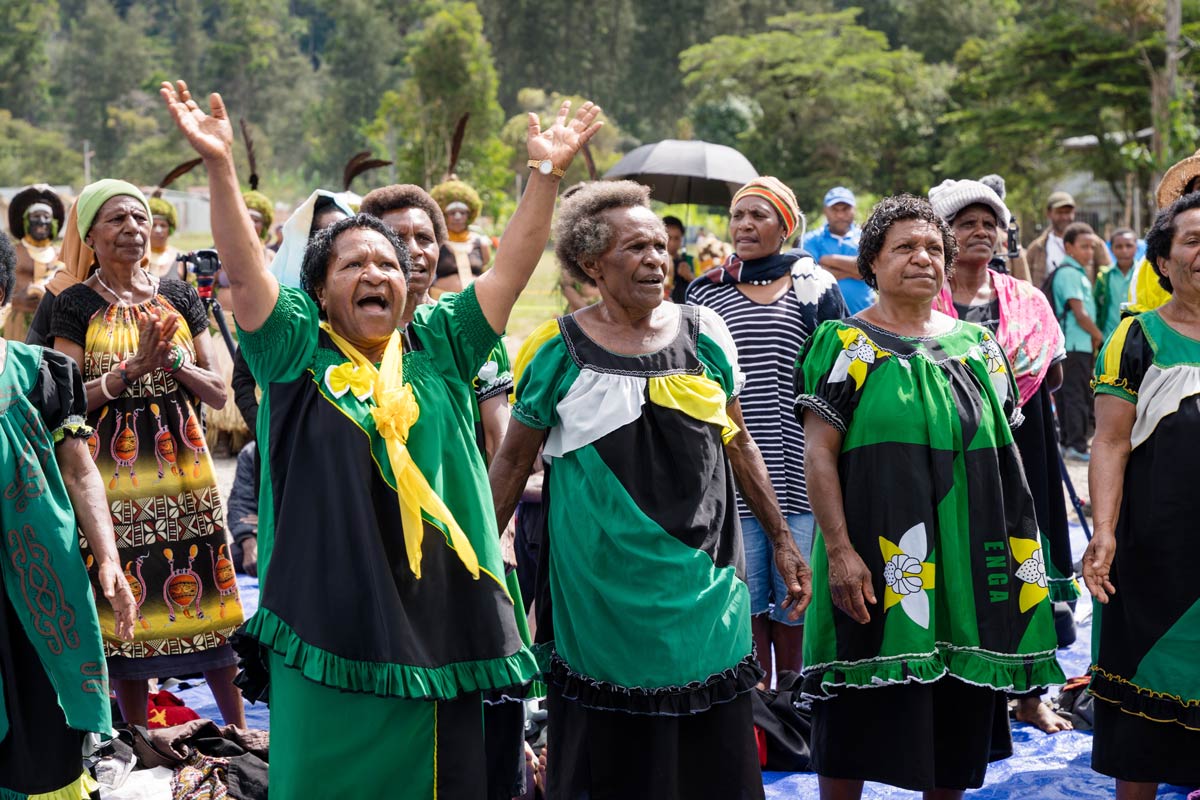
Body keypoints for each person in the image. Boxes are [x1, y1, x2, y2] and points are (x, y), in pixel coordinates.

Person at [162, 79, 600, 797]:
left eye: (390, 265)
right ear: (320, 289)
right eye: (355, 264)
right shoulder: (296, 349)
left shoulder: (441, 342)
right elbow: (243, 274)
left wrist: (545, 173)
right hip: (323, 614)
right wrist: (217, 167)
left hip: (438, 620)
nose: (377, 273)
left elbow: (514, 269)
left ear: (410, 285)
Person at [490, 179, 811, 799]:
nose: (657, 259)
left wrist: (782, 540)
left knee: (709, 748)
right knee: (609, 758)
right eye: (636, 249)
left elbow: (740, 443)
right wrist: (476, 563)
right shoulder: (558, 351)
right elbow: (510, 465)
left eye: (660, 247)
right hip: (598, 594)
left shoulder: (707, 332)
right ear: (591, 264)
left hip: (704, 581)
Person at [796, 194, 1065, 799]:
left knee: (958, 710)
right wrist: (839, 551)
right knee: (855, 705)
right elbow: (819, 455)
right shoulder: (845, 345)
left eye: (934, 249)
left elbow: (1005, 458)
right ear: (871, 262)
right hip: (878, 553)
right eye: (905, 248)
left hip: (973, 561)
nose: (924, 258)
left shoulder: (980, 349)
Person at [47, 179, 246, 729]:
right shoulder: (74, 305)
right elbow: (60, 401)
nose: (133, 228)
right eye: (117, 219)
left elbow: (218, 391)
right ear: (90, 235)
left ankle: (238, 733)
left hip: (184, 471)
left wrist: (171, 364)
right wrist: (126, 373)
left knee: (208, 588)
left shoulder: (178, 295)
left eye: (139, 218)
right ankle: (138, 737)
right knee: (128, 599)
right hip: (111, 475)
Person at [928, 178, 1079, 733]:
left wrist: (1015, 383)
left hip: (1023, 451)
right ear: (942, 234)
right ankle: (967, 688)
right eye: (966, 223)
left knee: (1025, 562)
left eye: (989, 223)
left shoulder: (1028, 300)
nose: (981, 232)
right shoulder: (925, 301)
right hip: (949, 455)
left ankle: (1029, 695)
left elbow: (1055, 372)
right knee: (961, 563)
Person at [687, 177, 845, 682]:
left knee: (797, 594)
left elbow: (836, 377)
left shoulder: (815, 287)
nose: (745, 225)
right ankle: (755, 709)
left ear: (786, 226)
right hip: (730, 472)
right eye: (739, 216)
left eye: (759, 215)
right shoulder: (705, 291)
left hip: (802, 467)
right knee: (746, 595)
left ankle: (794, 699)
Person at [0, 231, 137, 800]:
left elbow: (81, 472)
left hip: (39, 583)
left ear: (3, 295)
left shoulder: (42, 373)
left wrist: (107, 558)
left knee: (40, 718)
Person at [1084, 190, 1200, 798]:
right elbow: (1109, 443)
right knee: (1144, 734)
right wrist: (1103, 531)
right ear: (1162, 260)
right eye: (1192, 239)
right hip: (1157, 555)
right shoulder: (1135, 338)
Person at [361, 184, 514, 463]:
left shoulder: (468, 332)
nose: (413, 250)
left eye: (424, 238)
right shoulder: (351, 338)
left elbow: (498, 438)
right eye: (397, 237)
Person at [1049, 221, 1104, 461]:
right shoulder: (1070, 273)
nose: (1089, 253)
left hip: (1077, 345)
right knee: (1075, 394)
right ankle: (1076, 445)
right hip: (1072, 345)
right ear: (1068, 247)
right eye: (1084, 247)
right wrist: (1099, 336)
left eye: (1092, 247)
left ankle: (1069, 442)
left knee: (1073, 393)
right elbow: (1079, 313)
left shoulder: (1076, 272)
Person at [3, 184, 64, 342]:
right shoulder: (11, 252)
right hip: (18, 323)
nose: (42, 222)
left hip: (52, 325)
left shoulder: (60, 255)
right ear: (26, 221)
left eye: (46, 217)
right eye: (36, 216)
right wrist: (15, 300)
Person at [803, 186, 874, 313]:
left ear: (854, 209)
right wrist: (854, 270)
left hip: (863, 317)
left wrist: (827, 260)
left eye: (845, 209)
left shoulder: (866, 238)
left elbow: (871, 269)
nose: (840, 215)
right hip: (823, 320)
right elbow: (811, 276)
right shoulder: (811, 240)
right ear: (825, 211)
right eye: (834, 210)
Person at [1026, 190, 1110, 286]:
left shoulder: (1093, 243)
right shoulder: (1037, 247)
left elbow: (1107, 274)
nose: (1065, 217)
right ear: (1049, 213)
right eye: (1060, 213)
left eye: (1068, 212)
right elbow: (1026, 282)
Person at [431, 178, 492, 294]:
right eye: (452, 213)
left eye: (463, 213)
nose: (458, 217)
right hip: (441, 301)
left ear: (469, 216)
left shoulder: (481, 243)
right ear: (444, 216)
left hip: (474, 301)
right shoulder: (436, 242)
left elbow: (486, 273)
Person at [1094, 228, 1137, 339]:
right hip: (1109, 338)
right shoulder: (1104, 276)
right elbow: (1097, 308)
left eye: (1129, 246)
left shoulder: (1143, 274)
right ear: (1111, 249)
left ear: (1136, 247)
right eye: (1118, 247)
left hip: (1138, 338)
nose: (1124, 251)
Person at [147, 195, 187, 281]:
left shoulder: (181, 260)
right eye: (154, 225)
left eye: (163, 225)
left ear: (170, 229)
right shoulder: (136, 259)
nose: (158, 230)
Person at [662, 214, 694, 303]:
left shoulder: (690, 261)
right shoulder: (654, 260)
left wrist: (690, 276)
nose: (672, 243)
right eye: (668, 237)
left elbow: (701, 289)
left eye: (676, 238)